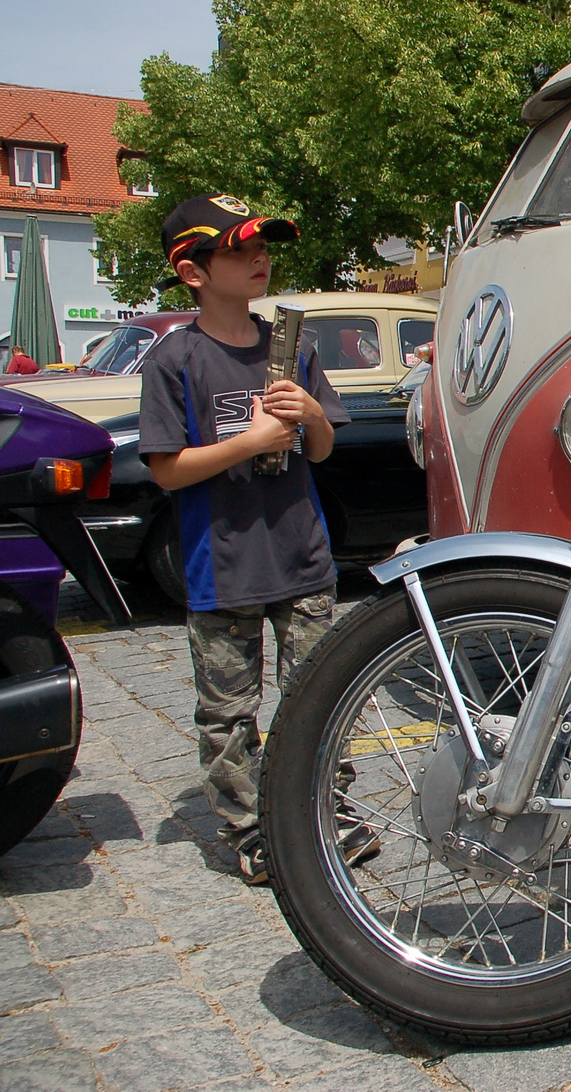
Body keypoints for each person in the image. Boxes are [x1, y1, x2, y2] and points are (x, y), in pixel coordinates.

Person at [136, 194, 368, 884]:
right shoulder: (175, 359)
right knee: (229, 714)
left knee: (323, 694)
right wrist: (252, 439)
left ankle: (327, 813)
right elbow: (166, 470)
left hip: (302, 556)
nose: (259, 257)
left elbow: (322, 448)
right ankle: (251, 829)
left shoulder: (291, 346)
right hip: (224, 566)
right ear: (193, 271)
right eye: (238, 249)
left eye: (263, 246)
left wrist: (307, 420)